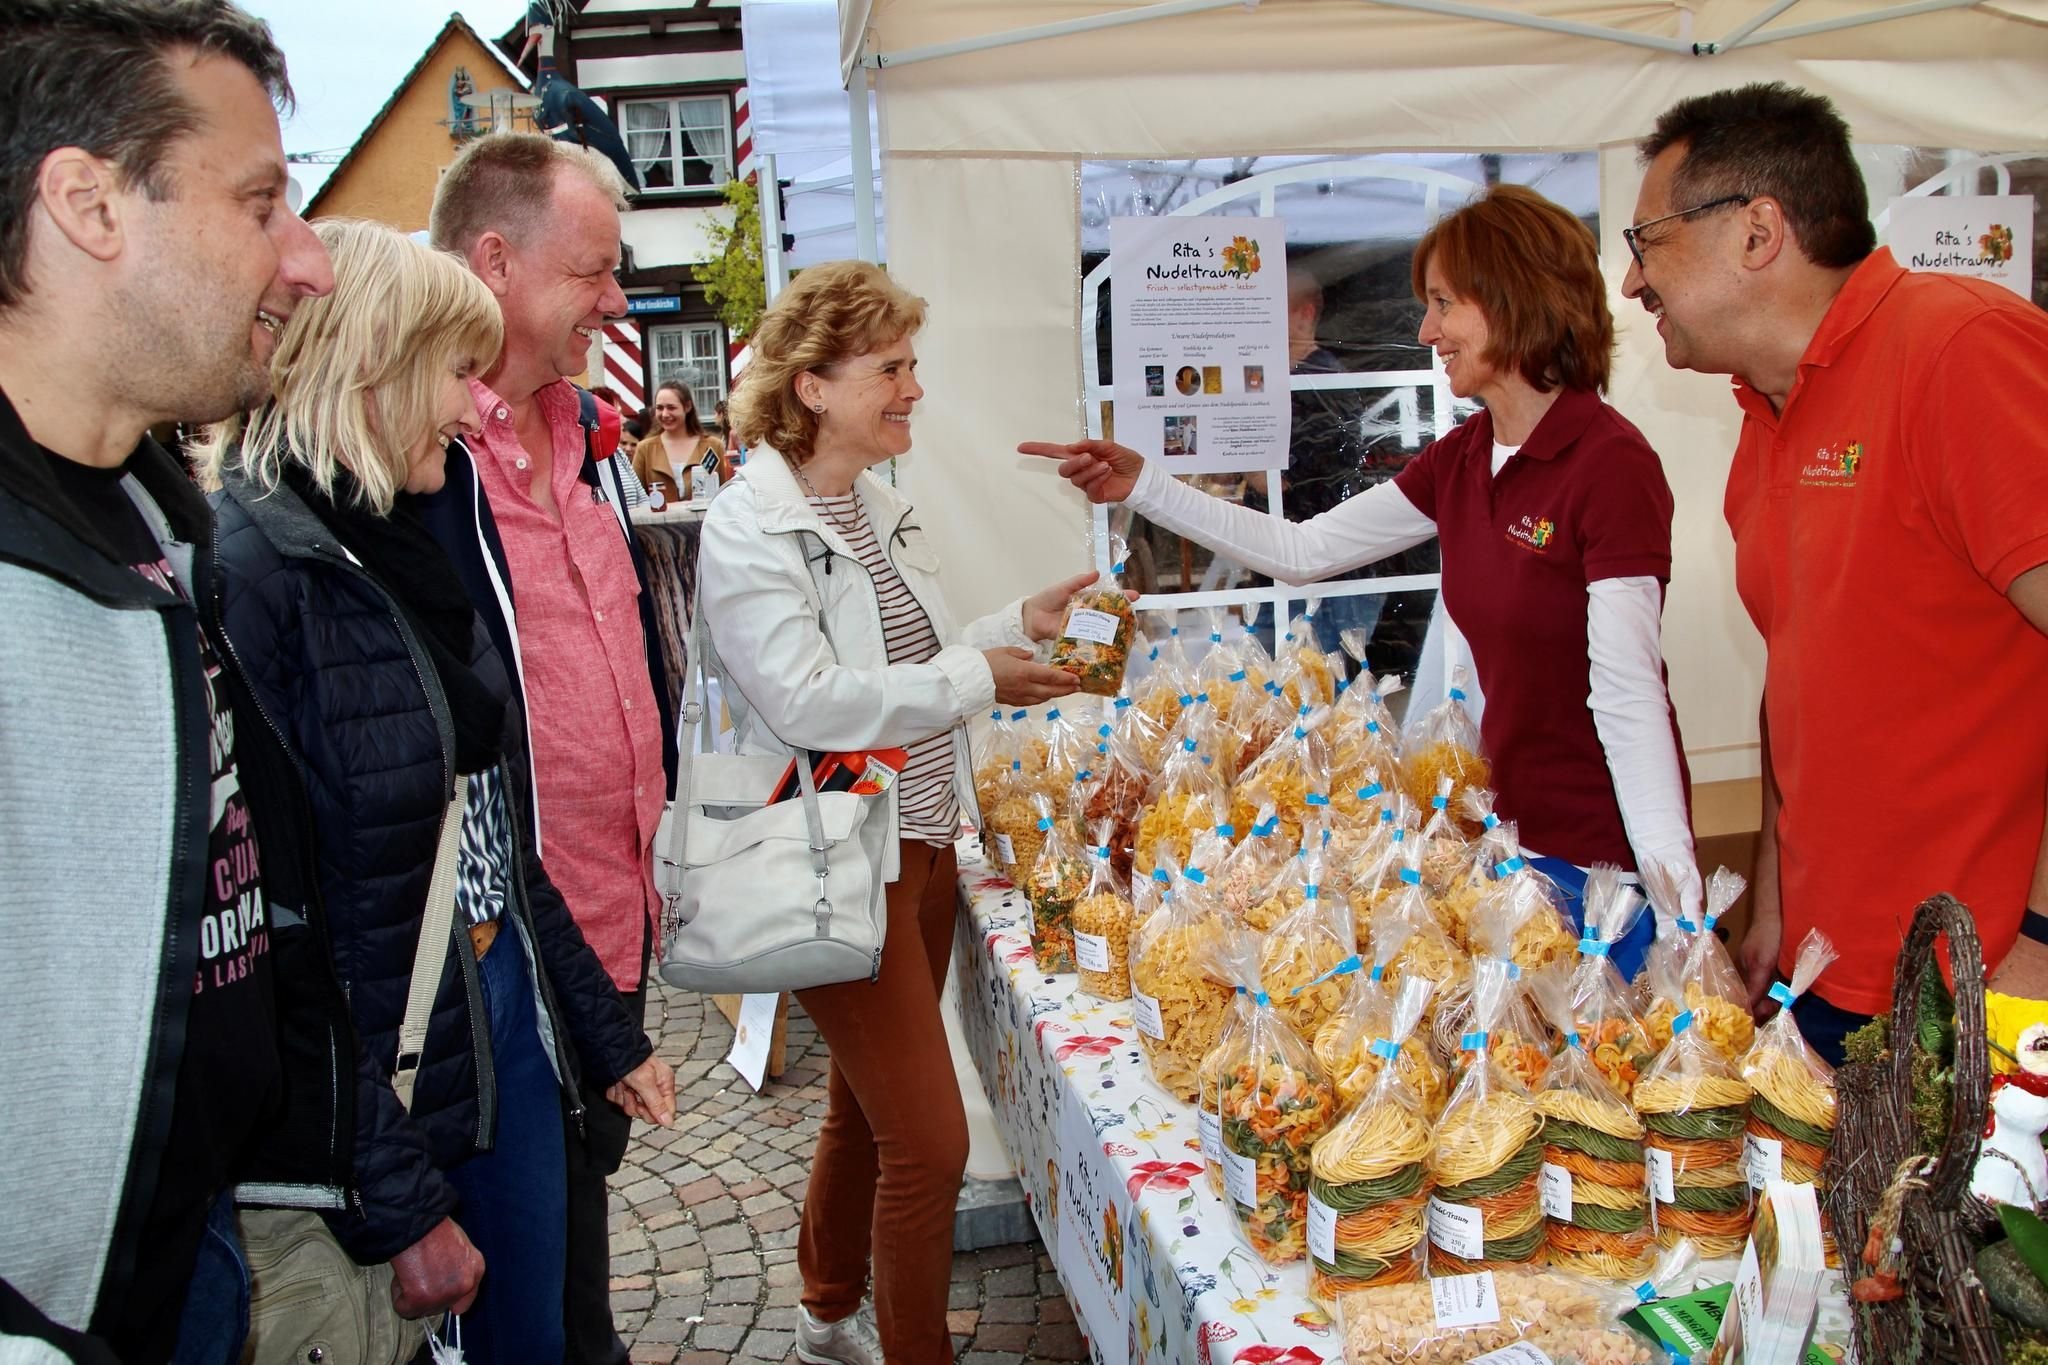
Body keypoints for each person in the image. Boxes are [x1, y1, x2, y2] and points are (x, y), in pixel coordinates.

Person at [199, 218, 675, 1361]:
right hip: (397, 1067)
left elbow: (493, 838)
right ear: (367, 364)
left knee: (547, 1333)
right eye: (452, 373)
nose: (474, 408)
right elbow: (282, 946)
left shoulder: (400, 542)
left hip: (494, 1008)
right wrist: (400, 1199)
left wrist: (600, 1031)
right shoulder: (256, 573)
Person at [1026, 183, 1704, 944]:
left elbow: (1628, 696)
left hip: (1600, 867)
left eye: (1445, 303)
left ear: (1513, 299)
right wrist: (1146, 483)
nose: (1426, 329)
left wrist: (1680, 914)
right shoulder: (1464, 458)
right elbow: (1304, 551)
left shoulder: (1610, 463)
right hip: (1497, 850)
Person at [0, 3, 335, 1359]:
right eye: (261, 202)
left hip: (184, 1239)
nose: (307, 259)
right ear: (86, 203)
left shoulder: (151, 520)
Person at [700, 259, 1094, 1365]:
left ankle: (826, 1312)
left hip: (917, 846)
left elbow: (908, 658)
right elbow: (808, 700)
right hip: (831, 854)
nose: (914, 388)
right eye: (891, 368)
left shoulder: (872, 506)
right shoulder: (748, 525)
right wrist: (981, 681)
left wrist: (1019, 620)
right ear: (813, 385)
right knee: (928, 1141)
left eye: (912, 364)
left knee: (864, 1116)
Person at [1623, 83, 2048, 1062]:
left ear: (1756, 231)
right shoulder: (1764, 413)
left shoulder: (1957, 353)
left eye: (1647, 241)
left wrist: (2037, 944)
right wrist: (1773, 903)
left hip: (1981, 998)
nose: (1631, 284)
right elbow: (1800, 672)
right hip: (1827, 975)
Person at [426, 130, 679, 1365]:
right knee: (541, 1291)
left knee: (578, 1233)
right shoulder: (424, 462)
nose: (617, 300)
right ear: (494, 261)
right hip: (507, 944)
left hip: (612, 920)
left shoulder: (587, 439)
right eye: (593, 271)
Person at [1237, 264, 1439, 670]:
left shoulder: (1322, 385)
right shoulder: (1284, 382)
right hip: (1288, 573)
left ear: (1305, 313)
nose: (1260, 324)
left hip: (1329, 581)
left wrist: (1232, 451)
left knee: (1319, 700)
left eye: (1269, 310)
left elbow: (1282, 481)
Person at [632, 378, 729, 500]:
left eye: (671, 407)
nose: (665, 414)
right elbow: (636, 498)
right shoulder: (644, 449)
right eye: (660, 408)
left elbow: (725, 494)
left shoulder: (714, 446)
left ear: (687, 406)